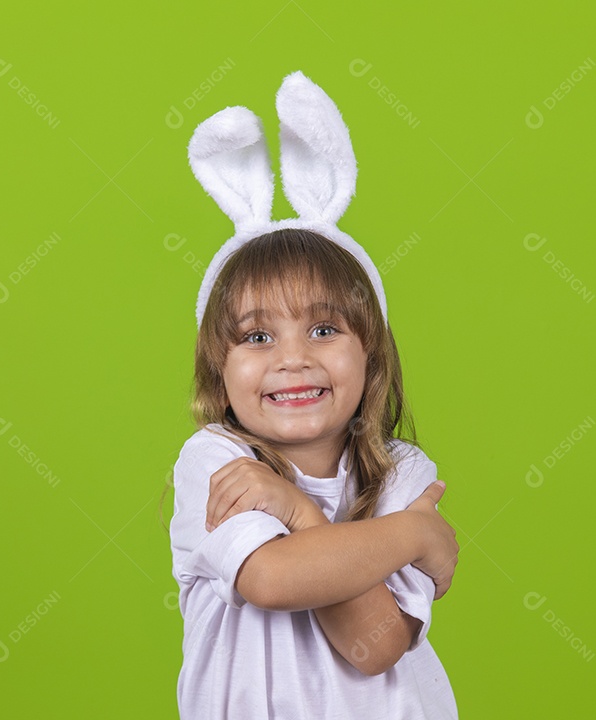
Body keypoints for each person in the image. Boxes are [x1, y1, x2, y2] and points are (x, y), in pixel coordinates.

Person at [166, 71, 460, 719]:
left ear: (370, 352)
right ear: (220, 371)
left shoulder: (402, 475)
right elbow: (270, 579)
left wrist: (298, 513)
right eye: (257, 336)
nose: (293, 359)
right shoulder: (217, 463)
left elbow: (373, 645)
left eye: (324, 329)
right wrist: (411, 535)